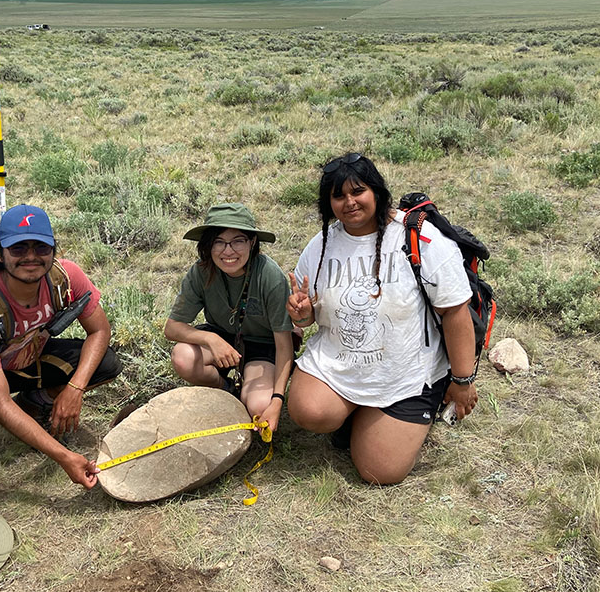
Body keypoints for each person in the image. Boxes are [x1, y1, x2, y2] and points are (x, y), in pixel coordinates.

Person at [286, 153, 478, 485]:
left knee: (379, 471)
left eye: (358, 191)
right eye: (338, 196)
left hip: (406, 374)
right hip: (342, 364)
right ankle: (358, 414)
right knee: (307, 410)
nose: (349, 203)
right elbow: (312, 313)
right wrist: (305, 314)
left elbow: (454, 311)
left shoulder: (417, 237)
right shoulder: (321, 245)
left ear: (376, 191)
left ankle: (392, 416)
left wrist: (462, 382)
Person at [0, 204, 121, 491]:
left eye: (40, 247)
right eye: (18, 249)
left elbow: (99, 331)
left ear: (53, 250)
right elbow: (1, 403)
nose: (31, 257)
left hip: (24, 354)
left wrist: (75, 388)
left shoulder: (65, 278)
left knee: (105, 364)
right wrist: (64, 457)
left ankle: (34, 404)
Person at [165, 203, 295, 433]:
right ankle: (224, 388)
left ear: (252, 242)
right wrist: (210, 340)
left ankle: (251, 388)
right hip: (221, 337)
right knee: (182, 356)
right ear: (208, 245)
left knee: (259, 406)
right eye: (219, 241)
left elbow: (284, 344)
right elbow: (172, 328)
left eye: (238, 241)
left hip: (263, 344)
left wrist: (277, 399)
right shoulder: (201, 271)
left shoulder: (270, 276)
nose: (228, 251)